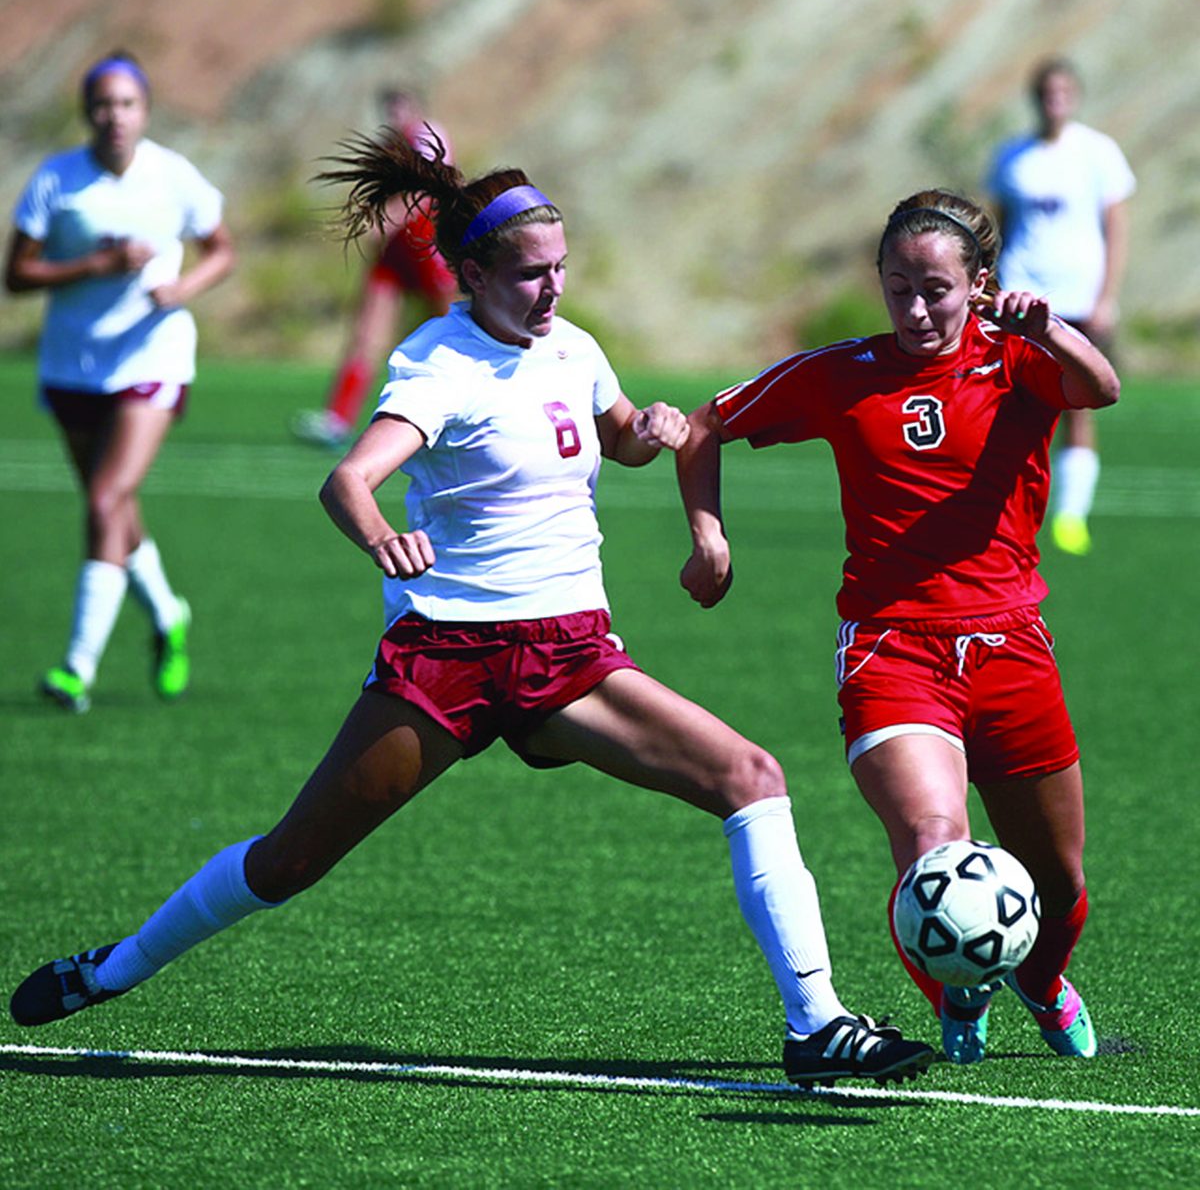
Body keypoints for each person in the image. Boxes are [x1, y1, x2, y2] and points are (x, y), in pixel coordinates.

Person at [9, 132, 934, 1088]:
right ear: (473, 272)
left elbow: (615, 438)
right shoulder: (437, 366)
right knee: (287, 864)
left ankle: (816, 1022)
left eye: (562, 268)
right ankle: (111, 969)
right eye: (532, 273)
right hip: (446, 660)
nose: (553, 290)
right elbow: (350, 480)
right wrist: (380, 536)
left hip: (570, 657)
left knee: (751, 775)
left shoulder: (572, 347)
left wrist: (653, 429)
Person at [675, 189, 1119, 1066]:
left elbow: (1098, 388)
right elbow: (703, 426)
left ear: (979, 285)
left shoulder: (1017, 361)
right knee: (931, 846)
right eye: (897, 287)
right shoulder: (847, 372)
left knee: (1062, 885)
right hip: (892, 648)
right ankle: (959, 981)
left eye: (937, 290)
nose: (915, 309)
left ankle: (1036, 979)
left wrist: (1049, 328)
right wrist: (709, 535)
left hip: (1012, 645)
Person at [5, 50, 236, 714]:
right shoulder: (56, 180)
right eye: (103, 104)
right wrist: (97, 264)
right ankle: (169, 614)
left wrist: (182, 287)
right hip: (73, 363)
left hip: (152, 357)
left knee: (105, 502)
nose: (115, 115)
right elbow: (16, 275)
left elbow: (222, 247)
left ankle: (77, 666)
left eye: (127, 103)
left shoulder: (173, 175)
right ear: (86, 112)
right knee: (114, 509)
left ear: (145, 110)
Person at [987, 56, 1135, 556]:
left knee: (1077, 403)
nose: (1055, 100)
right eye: (1047, 91)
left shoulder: (1098, 153)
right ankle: (1002, 508)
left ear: (1074, 96)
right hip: (1021, 294)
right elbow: (999, 229)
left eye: (1063, 91)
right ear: (1036, 97)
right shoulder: (1012, 156)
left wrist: (1106, 296)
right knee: (1011, 399)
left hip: (1075, 296)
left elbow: (1115, 228)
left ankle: (1071, 516)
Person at [291, 87, 458, 450]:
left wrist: (388, 218)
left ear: (416, 107)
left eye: (400, 108)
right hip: (394, 254)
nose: (395, 117)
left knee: (455, 331)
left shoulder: (427, 136)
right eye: (389, 110)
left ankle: (464, 410)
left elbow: (429, 189)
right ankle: (337, 419)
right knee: (366, 334)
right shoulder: (388, 146)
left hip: (427, 246)